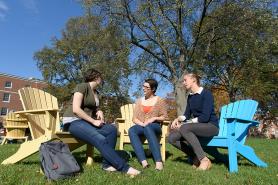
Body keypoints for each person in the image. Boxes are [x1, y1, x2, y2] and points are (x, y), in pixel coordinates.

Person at [62, 68, 140, 176]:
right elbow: (76, 109)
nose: (102, 79)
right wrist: (93, 121)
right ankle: (124, 167)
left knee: (111, 129)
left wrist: (99, 110)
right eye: (100, 77)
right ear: (96, 77)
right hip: (73, 121)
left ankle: (107, 164)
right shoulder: (82, 86)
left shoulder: (96, 92)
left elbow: (92, 108)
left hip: (86, 122)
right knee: (100, 139)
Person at [168, 73, 219, 170]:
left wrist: (185, 124)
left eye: (185, 80)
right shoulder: (190, 97)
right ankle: (195, 157)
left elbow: (205, 117)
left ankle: (204, 160)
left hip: (211, 126)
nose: (183, 83)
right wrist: (177, 119)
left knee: (184, 127)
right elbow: (186, 115)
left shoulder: (206, 94)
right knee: (172, 137)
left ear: (194, 80)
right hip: (198, 127)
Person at [128, 79, 168, 170]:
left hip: (155, 126)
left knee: (148, 127)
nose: (143, 89)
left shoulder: (160, 100)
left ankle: (158, 162)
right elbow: (134, 118)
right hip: (142, 125)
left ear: (153, 89)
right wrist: (142, 124)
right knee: (132, 130)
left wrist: (153, 118)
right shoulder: (139, 101)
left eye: (146, 87)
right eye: (143, 86)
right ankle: (143, 161)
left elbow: (164, 117)